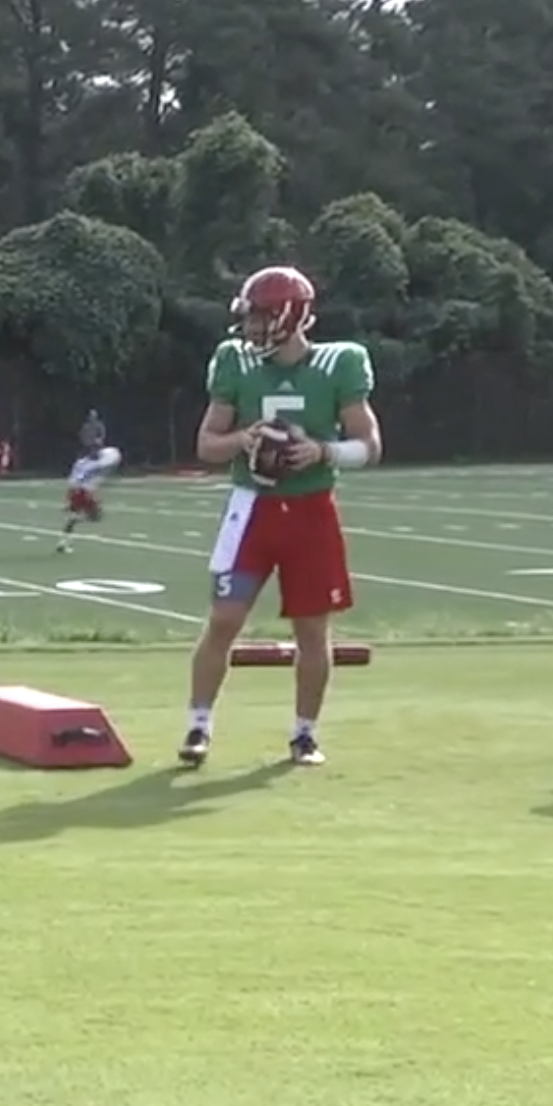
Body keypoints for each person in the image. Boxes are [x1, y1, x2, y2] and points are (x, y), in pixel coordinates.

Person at [182, 264, 380, 769]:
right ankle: (198, 726)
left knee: (312, 631)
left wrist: (321, 452)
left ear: (289, 316)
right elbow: (207, 444)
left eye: (260, 316)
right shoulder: (235, 362)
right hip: (251, 508)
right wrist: (243, 441)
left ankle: (304, 734)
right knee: (224, 619)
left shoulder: (340, 362)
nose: (250, 327)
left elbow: (369, 444)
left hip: (311, 511)